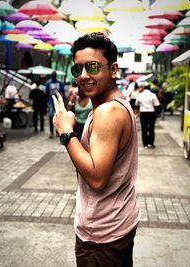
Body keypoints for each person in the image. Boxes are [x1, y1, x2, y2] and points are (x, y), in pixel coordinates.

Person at [52, 32, 140, 267]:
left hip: (102, 234)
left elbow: (97, 178)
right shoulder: (114, 105)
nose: (83, 76)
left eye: (92, 67)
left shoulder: (107, 112)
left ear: (113, 70)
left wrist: (65, 131)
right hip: (118, 223)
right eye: (77, 69)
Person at [135, 83, 161, 148]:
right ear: (149, 88)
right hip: (151, 113)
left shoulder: (140, 95)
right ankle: (151, 143)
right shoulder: (153, 95)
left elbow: (136, 104)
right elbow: (157, 105)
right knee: (151, 128)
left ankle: (145, 144)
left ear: (144, 88)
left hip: (143, 113)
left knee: (144, 129)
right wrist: (157, 113)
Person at [45, 71, 64, 138]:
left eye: (54, 75)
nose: (53, 76)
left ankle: (57, 130)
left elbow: (63, 91)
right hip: (50, 101)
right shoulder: (48, 82)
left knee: (58, 116)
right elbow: (46, 93)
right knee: (50, 116)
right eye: (52, 75)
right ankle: (51, 131)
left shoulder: (60, 82)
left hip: (58, 102)